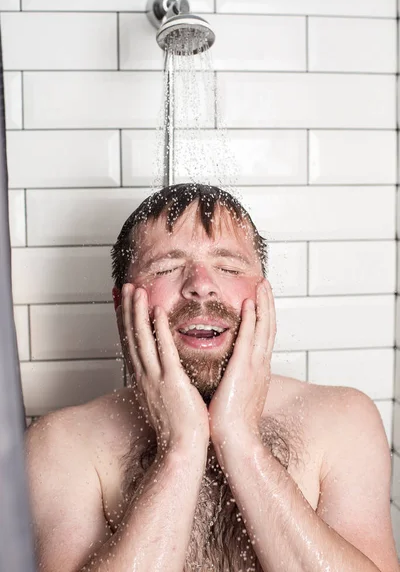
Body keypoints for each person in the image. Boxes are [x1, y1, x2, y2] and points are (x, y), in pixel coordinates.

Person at [25, 183, 399, 572]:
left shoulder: (345, 422)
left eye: (229, 267)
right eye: (167, 267)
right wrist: (180, 449)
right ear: (122, 305)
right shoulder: (61, 444)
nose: (201, 284)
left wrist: (240, 439)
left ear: (263, 295)